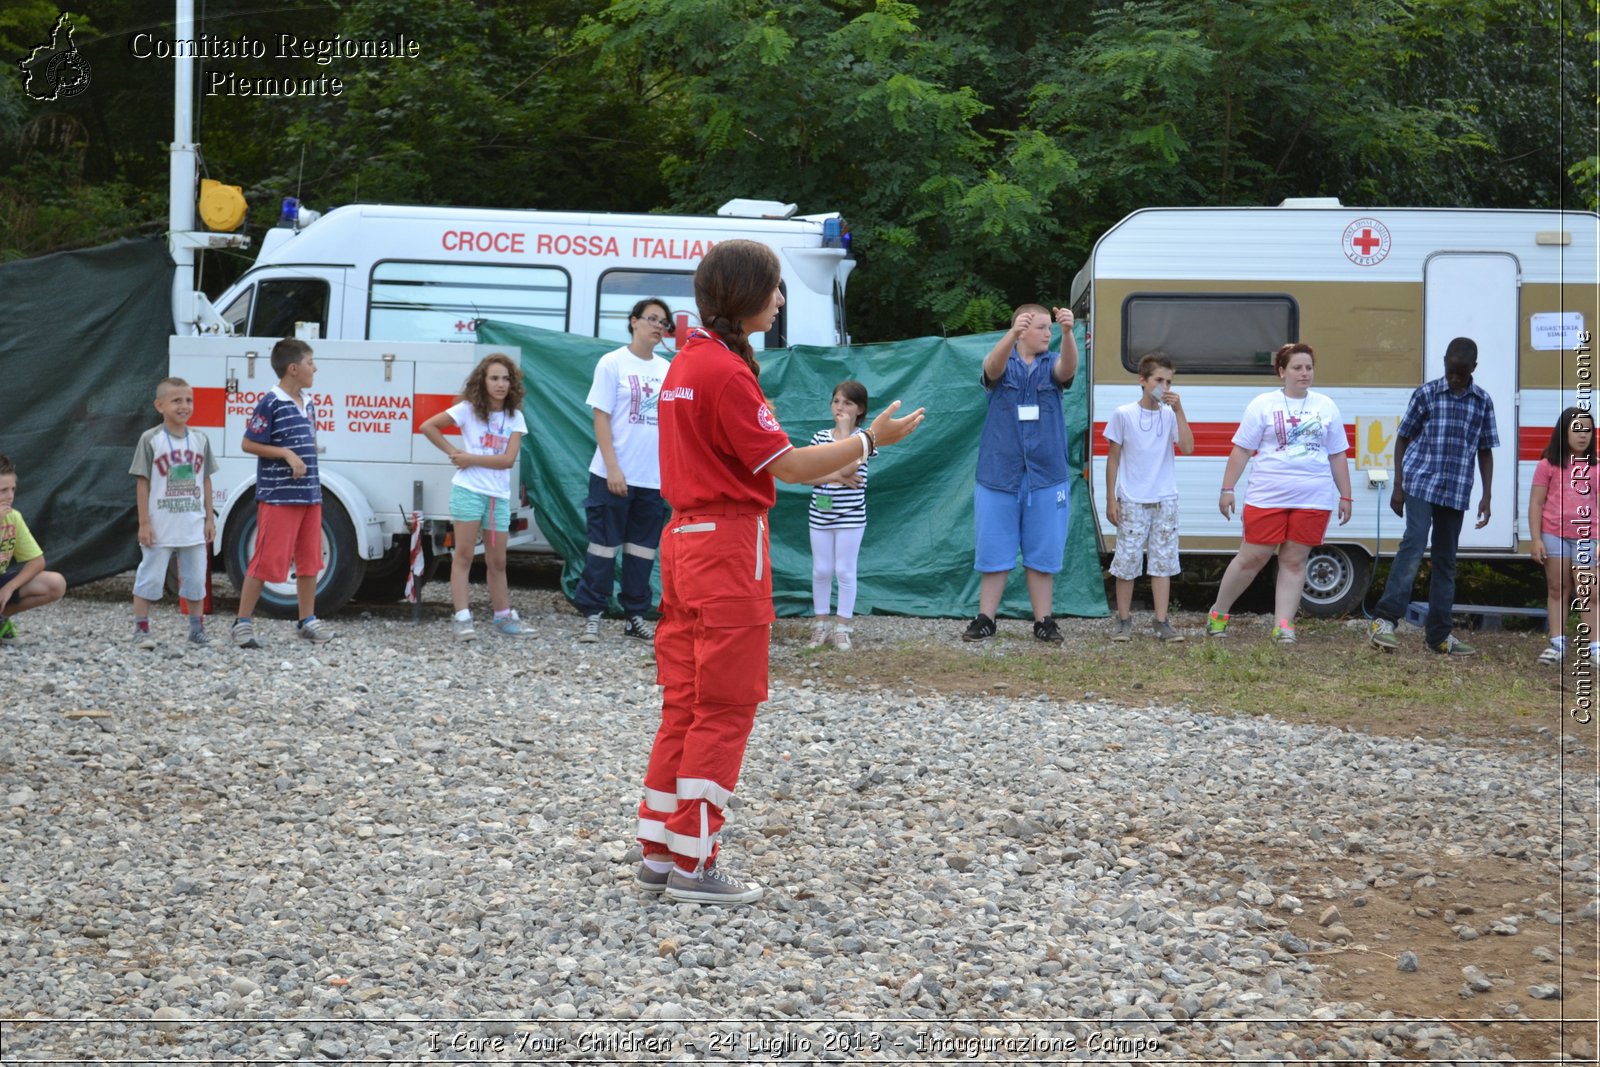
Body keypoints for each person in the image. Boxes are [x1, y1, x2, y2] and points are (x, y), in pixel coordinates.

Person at [633, 239, 924, 905]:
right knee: (726, 704)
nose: (782, 300)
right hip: (726, 548)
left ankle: (660, 851)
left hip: (684, 540)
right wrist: (873, 440)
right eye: (775, 288)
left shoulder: (688, 359)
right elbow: (789, 466)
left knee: (684, 701)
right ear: (745, 295)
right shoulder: (724, 372)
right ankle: (695, 865)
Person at [1205, 342, 1353, 644]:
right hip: (1267, 494)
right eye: (1297, 368)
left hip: (1313, 496)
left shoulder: (1326, 406)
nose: (1304, 373)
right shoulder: (1263, 404)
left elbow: (1337, 454)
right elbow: (1242, 449)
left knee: (1295, 560)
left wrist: (1346, 495)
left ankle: (1283, 626)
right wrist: (1227, 489)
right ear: (1282, 371)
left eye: (1309, 368)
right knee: (1253, 556)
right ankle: (1218, 613)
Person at [1368, 337, 1499, 656]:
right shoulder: (1426, 394)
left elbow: (1485, 450)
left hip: (1455, 488)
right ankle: (1384, 620)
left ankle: (1439, 635)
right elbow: (1402, 439)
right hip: (1420, 481)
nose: (1454, 378)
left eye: (1461, 373)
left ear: (1473, 369)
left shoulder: (1482, 401)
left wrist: (1487, 495)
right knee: (1413, 544)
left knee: (1446, 561)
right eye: (1450, 371)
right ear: (1444, 364)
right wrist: (1398, 486)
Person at [962, 303, 1080, 644]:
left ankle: (1044, 621)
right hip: (999, 474)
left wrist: (1069, 333)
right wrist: (1010, 334)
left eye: (1050, 327)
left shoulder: (1052, 362)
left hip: (1046, 475)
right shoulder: (1002, 360)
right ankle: (986, 618)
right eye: (1042, 327)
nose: (1048, 333)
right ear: (1021, 330)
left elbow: (1068, 368)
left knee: (1042, 554)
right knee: (994, 552)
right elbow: (991, 368)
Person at [573, 299, 672, 644]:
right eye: (652, 319)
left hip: (653, 479)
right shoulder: (612, 362)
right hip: (612, 475)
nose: (658, 326)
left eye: (664, 322)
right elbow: (601, 416)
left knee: (641, 551)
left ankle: (634, 616)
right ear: (633, 322)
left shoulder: (668, 369)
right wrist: (613, 468)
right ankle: (593, 615)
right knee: (602, 547)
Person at [231, 338, 333, 648]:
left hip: (309, 495)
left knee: (309, 561)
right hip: (279, 496)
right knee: (265, 560)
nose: (315, 368)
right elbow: (249, 443)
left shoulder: (309, 403)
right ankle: (242, 625)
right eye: (310, 362)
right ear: (293, 368)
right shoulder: (271, 402)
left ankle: (307, 620)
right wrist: (286, 454)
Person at [420, 352, 529, 640]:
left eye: (506, 379)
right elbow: (428, 426)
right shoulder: (468, 409)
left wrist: (470, 458)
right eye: (494, 378)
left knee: (498, 561)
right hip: (469, 492)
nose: (500, 384)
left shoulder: (515, 417)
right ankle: (462, 617)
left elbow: (508, 460)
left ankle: (503, 616)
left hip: (497, 498)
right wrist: (454, 454)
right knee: (464, 555)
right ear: (482, 381)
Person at [1104, 352, 1194, 642]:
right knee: (1127, 561)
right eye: (1158, 380)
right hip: (1132, 498)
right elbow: (1113, 459)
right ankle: (1123, 620)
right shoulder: (1124, 413)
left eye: (1169, 381)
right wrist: (1110, 499)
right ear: (1142, 381)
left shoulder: (1169, 415)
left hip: (1165, 498)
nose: (1164, 387)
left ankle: (1161, 621)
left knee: (1163, 562)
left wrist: (1180, 411)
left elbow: (1189, 448)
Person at [129, 377, 218, 647]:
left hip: (192, 524)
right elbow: (142, 482)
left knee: (195, 579)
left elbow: (205, 479)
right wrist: (144, 522)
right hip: (161, 525)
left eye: (188, 400)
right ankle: (141, 630)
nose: (184, 406)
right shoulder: (151, 439)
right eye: (176, 400)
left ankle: (196, 629)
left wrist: (208, 516)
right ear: (160, 405)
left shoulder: (200, 439)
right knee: (150, 577)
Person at [804, 380, 871, 651]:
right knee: (821, 570)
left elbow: (850, 469)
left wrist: (844, 434)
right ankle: (820, 624)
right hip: (819, 515)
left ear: (860, 409)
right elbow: (806, 476)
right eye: (836, 401)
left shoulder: (865, 440)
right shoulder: (820, 438)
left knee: (844, 570)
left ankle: (842, 627)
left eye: (847, 403)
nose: (840, 407)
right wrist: (834, 477)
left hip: (851, 518)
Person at [1528, 407, 1595, 665]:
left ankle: (1594, 647)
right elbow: (1536, 503)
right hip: (1553, 534)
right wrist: (1536, 539)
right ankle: (1557, 643)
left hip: (1587, 536)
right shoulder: (1547, 465)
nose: (1582, 435)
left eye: (1587, 430)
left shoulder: (1596, 468)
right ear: (1563, 431)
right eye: (1576, 429)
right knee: (1558, 587)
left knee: (1589, 589)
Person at [0, 454, 66, 644]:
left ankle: (1, 619)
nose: (10, 496)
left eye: (12, 489)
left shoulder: (13, 517)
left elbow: (37, 561)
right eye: (3, 490)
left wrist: (8, 587)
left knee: (55, 583)